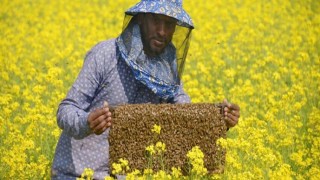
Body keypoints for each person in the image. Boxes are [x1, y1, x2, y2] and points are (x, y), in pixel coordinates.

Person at [51, 0, 240, 179]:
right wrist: (87, 122)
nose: (162, 32)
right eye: (156, 21)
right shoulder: (105, 55)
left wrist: (219, 120)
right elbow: (65, 110)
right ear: (141, 18)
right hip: (76, 174)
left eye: (169, 23)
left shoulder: (167, 67)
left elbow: (187, 116)